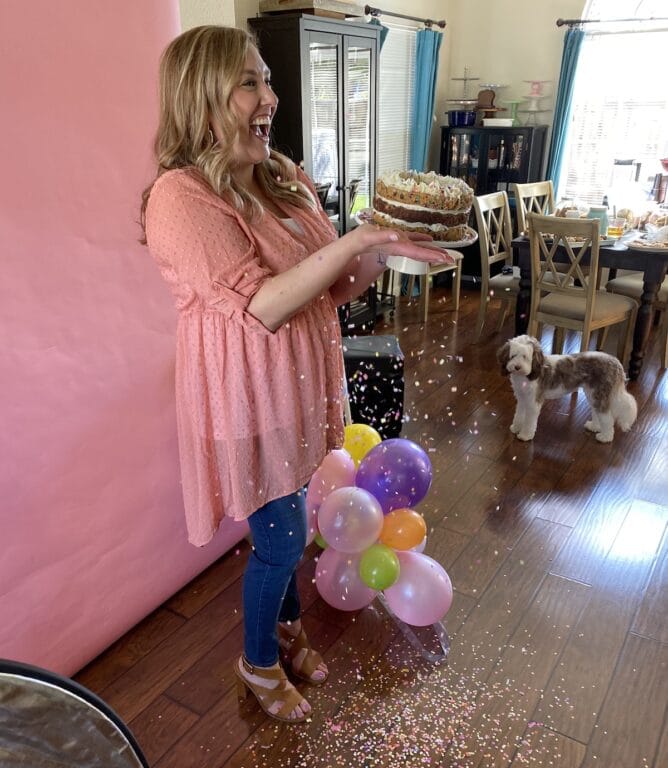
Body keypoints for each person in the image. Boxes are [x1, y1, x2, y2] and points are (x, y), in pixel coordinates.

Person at [141, 25, 452, 724]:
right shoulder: (180, 197)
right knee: (282, 536)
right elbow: (263, 308)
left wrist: (386, 245)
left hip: (301, 384)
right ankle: (257, 662)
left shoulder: (279, 176)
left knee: (286, 521)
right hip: (245, 393)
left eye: (267, 81)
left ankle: (285, 630)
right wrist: (361, 237)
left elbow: (330, 287)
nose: (270, 97)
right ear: (201, 98)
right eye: (249, 82)